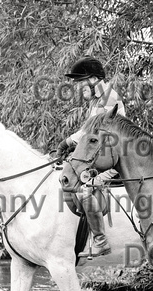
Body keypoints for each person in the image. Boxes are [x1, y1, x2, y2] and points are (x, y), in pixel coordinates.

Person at [57, 56, 125, 265]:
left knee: (84, 190)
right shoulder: (98, 101)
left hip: (115, 159)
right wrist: (69, 147)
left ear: (94, 79)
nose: (79, 87)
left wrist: (67, 141)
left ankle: (100, 239)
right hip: (101, 156)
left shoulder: (108, 98)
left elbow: (91, 132)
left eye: (82, 82)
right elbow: (89, 136)